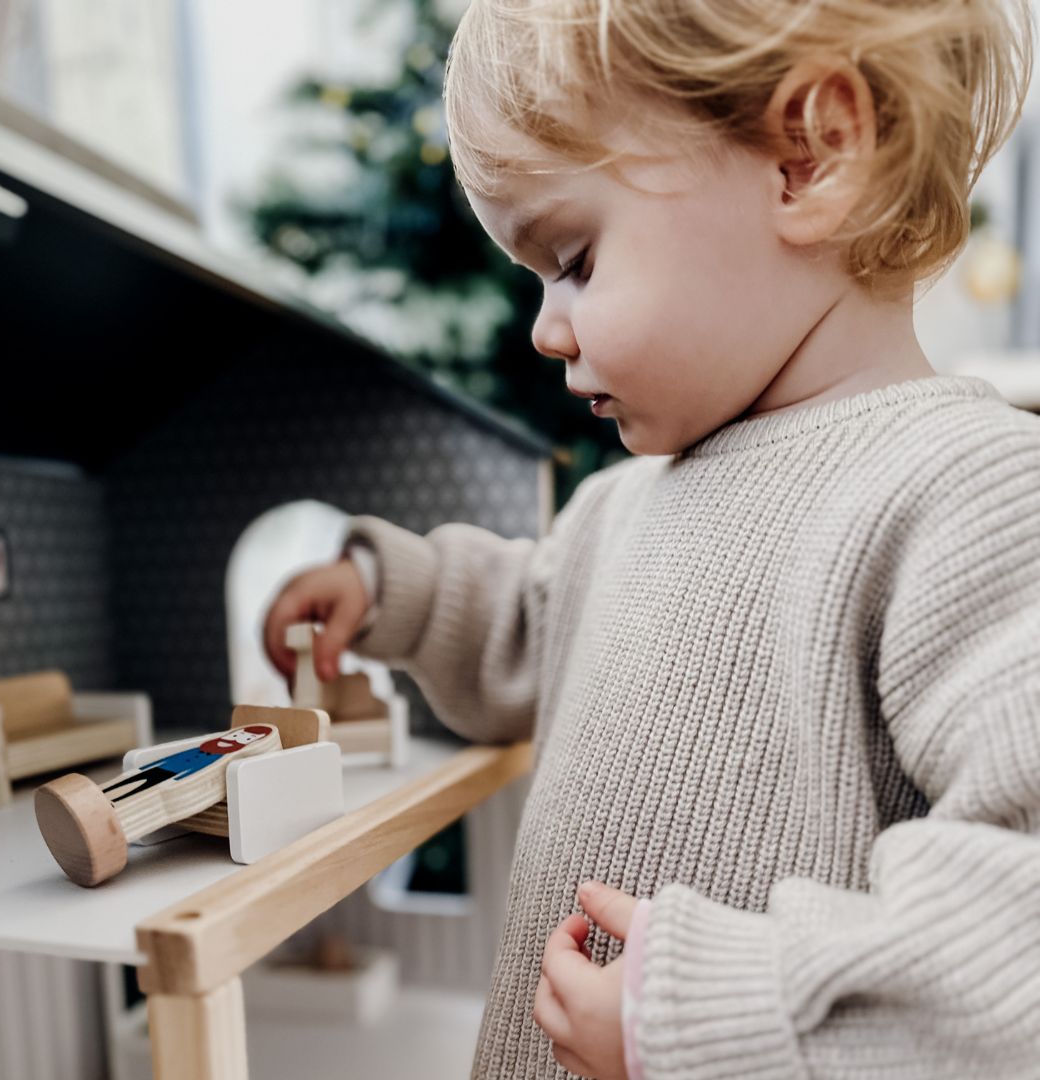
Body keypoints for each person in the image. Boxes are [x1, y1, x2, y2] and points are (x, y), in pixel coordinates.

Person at [263, 0, 1040, 1075]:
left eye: (573, 258)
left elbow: (1017, 916)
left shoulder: (963, 491)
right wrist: (398, 593)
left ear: (807, 157)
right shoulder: (627, 505)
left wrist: (717, 1011)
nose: (544, 326)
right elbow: (526, 620)